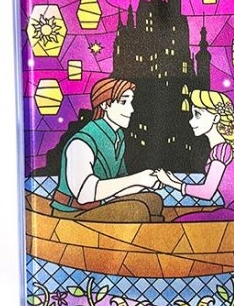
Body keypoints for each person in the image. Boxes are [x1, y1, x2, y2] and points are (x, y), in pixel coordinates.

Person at [154, 90, 234, 221]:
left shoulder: (222, 150)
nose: (191, 121)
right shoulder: (220, 149)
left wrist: (171, 183)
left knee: (179, 223)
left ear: (216, 118)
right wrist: (174, 180)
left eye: (197, 115)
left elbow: (207, 192)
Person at [50, 77, 163, 222]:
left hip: (96, 207)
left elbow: (118, 185)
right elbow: (84, 194)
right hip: (71, 213)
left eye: (131, 102)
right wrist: (137, 179)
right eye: (123, 102)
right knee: (138, 210)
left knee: (154, 201)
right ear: (104, 105)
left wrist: (145, 182)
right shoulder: (81, 142)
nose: (131, 109)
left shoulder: (118, 137)